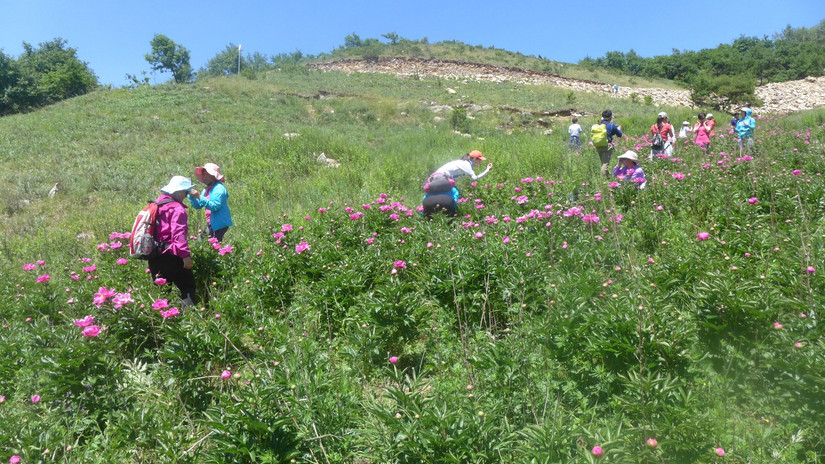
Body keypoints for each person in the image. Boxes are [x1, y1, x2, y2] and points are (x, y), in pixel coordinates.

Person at [149, 176, 197, 307]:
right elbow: (178, 234)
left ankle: (162, 324)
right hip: (172, 256)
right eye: (186, 193)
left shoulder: (155, 205)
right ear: (180, 192)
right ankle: (188, 322)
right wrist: (185, 257)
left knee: (162, 294)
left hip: (154, 254)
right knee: (188, 288)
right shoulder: (177, 209)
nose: (186, 196)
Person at [189, 163, 233, 242]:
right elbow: (198, 205)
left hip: (219, 223)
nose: (204, 177)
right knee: (203, 244)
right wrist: (192, 196)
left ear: (213, 176)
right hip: (212, 223)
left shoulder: (219, 188)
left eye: (207, 174)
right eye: (203, 175)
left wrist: (199, 196)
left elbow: (215, 206)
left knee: (208, 244)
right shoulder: (207, 189)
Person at [593, 109, 623, 177]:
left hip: (598, 145)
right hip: (607, 146)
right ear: (610, 117)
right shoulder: (611, 125)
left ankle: (608, 177)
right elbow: (619, 135)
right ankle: (602, 180)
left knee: (603, 163)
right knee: (605, 164)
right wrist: (619, 129)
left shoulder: (599, 124)